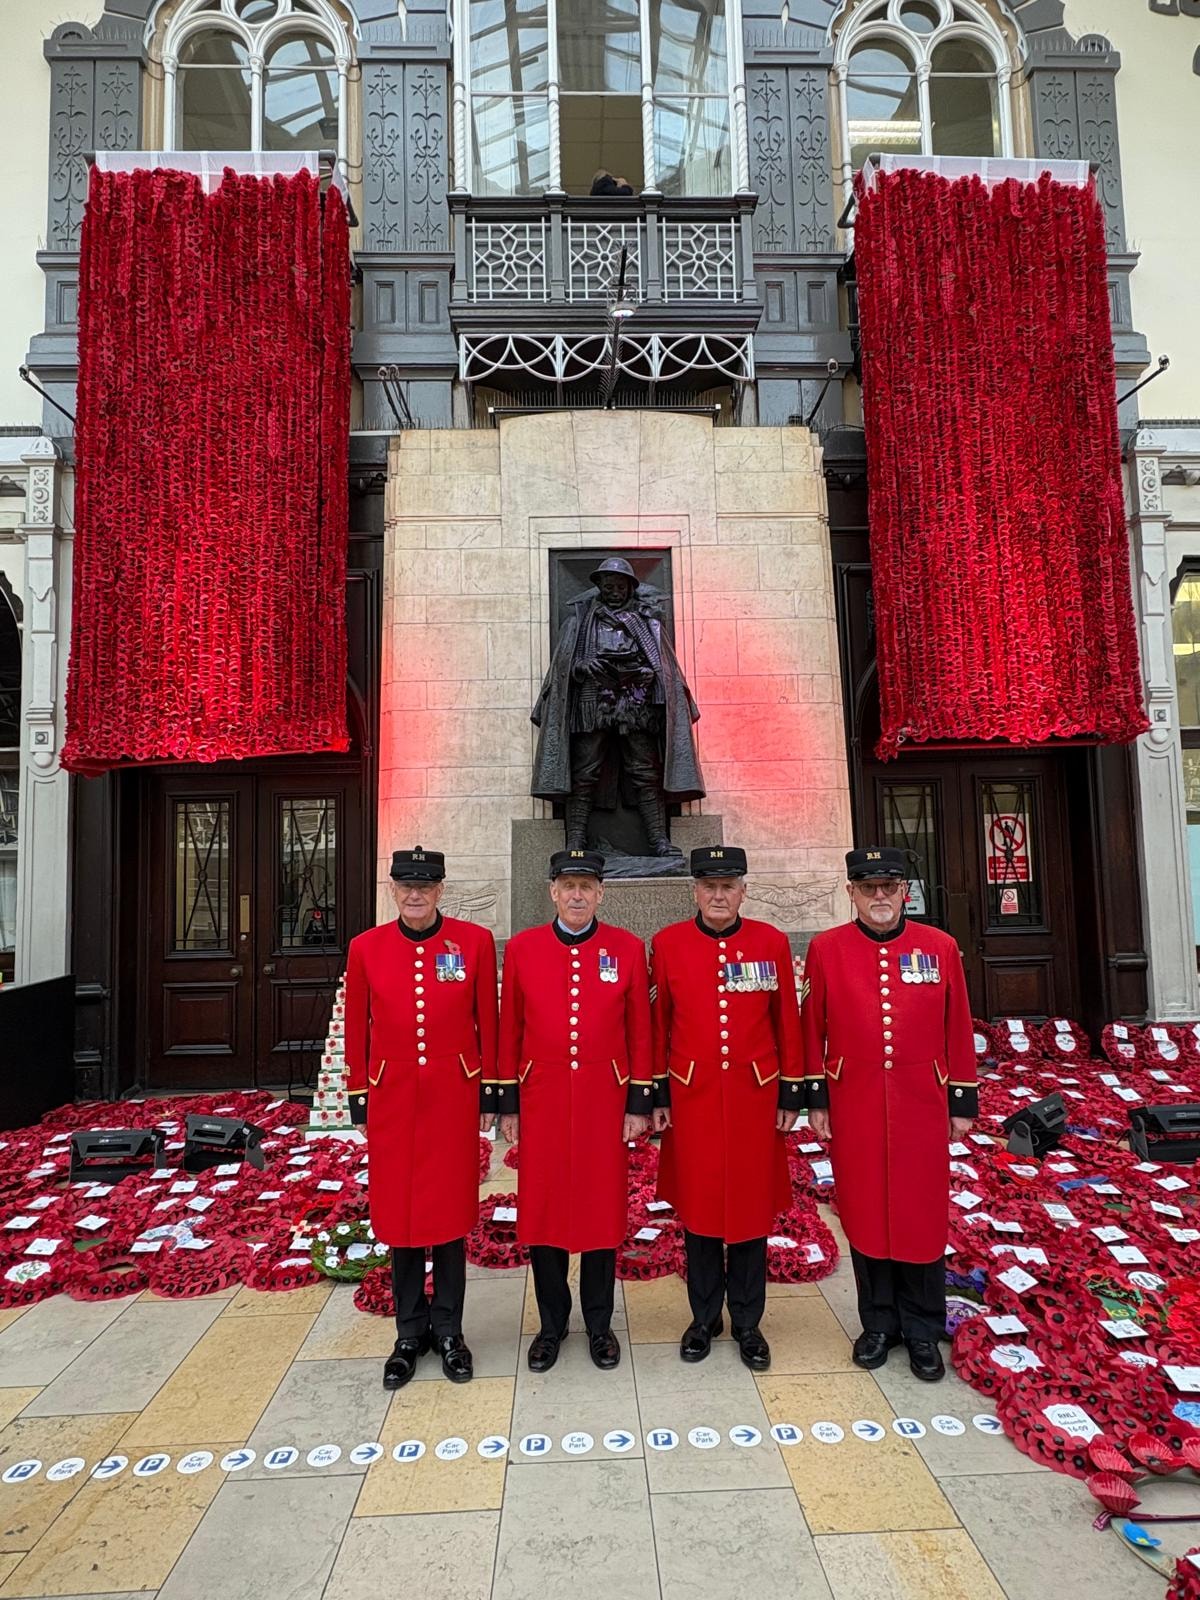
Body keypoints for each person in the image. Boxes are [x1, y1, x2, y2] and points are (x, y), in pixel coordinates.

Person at [801, 845, 978, 1382]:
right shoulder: (827, 949)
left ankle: (923, 1329)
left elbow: (958, 1024)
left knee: (921, 1215)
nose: (879, 897)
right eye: (868, 887)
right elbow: (813, 1029)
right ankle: (878, 1324)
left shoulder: (940, 947)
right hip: (853, 1100)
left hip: (921, 1100)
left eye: (889, 887)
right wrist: (817, 1099)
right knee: (866, 1212)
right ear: (850, 892)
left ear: (904, 891)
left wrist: (962, 1099)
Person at [491, 849, 653, 1372]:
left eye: (587, 885)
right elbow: (509, 1031)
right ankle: (552, 1325)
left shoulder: (627, 949)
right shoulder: (523, 949)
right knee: (544, 1214)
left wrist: (637, 1103)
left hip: (606, 1102)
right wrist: (508, 1105)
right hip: (541, 1102)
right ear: (553, 892)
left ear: (601, 893)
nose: (578, 894)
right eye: (568, 885)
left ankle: (600, 1325)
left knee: (601, 1213)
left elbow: (639, 1033)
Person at [345, 847, 498, 1390]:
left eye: (426, 886)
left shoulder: (473, 944)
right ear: (393, 890)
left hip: (453, 1097)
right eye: (406, 886)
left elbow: (489, 1022)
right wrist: (359, 1095)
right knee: (401, 1216)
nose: (416, 894)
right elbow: (357, 1028)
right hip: (391, 1100)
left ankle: (451, 1330)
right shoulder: (366, 949)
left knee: (451, 1213)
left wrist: (491, 1096)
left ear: (441, 890)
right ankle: (409, 1331)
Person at [651, 846, 805, 1370]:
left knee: (748, 1211)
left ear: (743, 890)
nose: (719, 895)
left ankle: (747, 1322)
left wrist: (791, 1092)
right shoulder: (669, 945)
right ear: (695, 890)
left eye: (729, 886)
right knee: (698, 1211)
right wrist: (657, 1096)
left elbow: (788, 1021)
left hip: (754, 1096)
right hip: (691, 1096)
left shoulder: (771, 943)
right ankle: (702, 1318)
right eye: (709, 886)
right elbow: (659, 1025)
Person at [531, 556, 704, 856]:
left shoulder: (647, 624)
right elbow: (564, 669)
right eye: (608, 585)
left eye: (620, 585)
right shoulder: (580, 623)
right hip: (592, 702)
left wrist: (650, 675)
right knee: (584, 772)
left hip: (636, 702)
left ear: (630, 588)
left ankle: (658, 841)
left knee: (646, 771)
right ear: (599, 587)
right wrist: (583, 666)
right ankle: (575, 842)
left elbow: (664, 667)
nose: (614, 591)